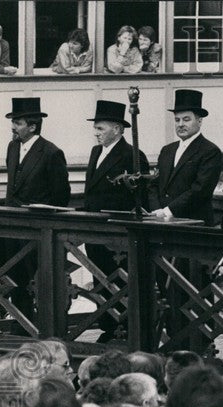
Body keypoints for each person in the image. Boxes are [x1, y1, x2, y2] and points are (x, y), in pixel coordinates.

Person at [82, 99, 150, 341]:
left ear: (118, 129)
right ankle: (107, 325)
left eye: (101, 128)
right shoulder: (95, 152)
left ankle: (122, 328)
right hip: (94, 230)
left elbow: (138, 197)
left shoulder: (131, 155)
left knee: (117, 279)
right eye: (96, 128)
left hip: (116, 235)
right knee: (100, 278)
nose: (96, 133)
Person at [0, 98, 70, 324]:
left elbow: (61, 195)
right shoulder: (12, 148)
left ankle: (40, 326)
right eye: (13, 122)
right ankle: (20, 323)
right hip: (12, 231)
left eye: (18, 123)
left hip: (37, 233)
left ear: (32, 126)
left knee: (35, 283)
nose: (13, 127)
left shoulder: (51, 153)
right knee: (12, 278)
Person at [153, 89, 222, 225]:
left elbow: (200, 190)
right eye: (177, 120)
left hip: (193, 223)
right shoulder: (167, 150)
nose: (180, 125)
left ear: (199, 121)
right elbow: (154, 183)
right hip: (160, 220)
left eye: (186, 120)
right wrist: (156, 209)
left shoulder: (210, 151)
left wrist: (167, 211)